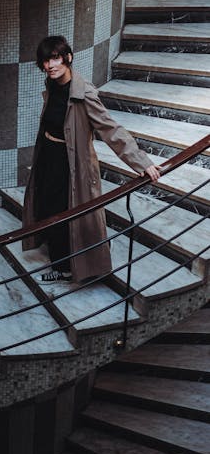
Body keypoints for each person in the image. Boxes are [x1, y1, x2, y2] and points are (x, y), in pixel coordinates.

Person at [22, 35, 161, 283]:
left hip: (70, 162)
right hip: (48, 157)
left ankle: (65, 267)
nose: (50, 65)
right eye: (46, 60)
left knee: (65, 212)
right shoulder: (52, 84)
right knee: (46, 207)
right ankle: (59, 257)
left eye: (55, 58)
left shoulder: (83, 93)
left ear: (68, 58)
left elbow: (111, 130)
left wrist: (142, 163)